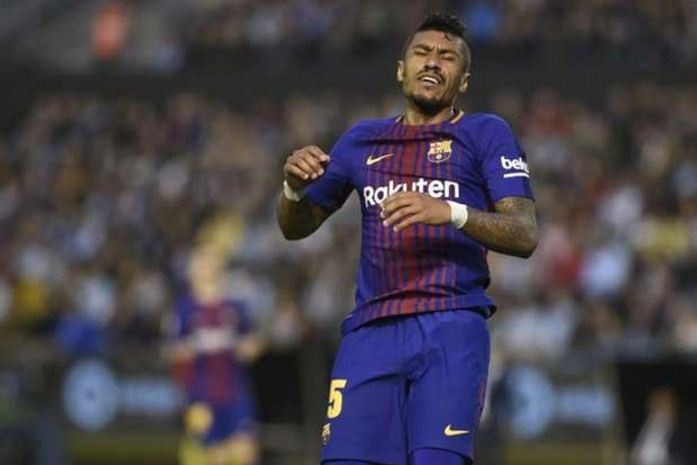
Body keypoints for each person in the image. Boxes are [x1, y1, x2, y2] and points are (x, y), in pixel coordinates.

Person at [277, 12, 538, 465]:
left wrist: (451, 212)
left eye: (447, 56)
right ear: (401, 70)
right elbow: (295, 226)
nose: (433, 61)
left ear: (464, 81)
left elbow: (524, 233)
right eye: (422, 52)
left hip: (451, 326)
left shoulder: (485, 133)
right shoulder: (361, 141)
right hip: (370, 332)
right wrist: (293, 189)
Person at [167, 245, 264, 465]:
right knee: (216, 456)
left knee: (246, 452)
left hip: (235, 390)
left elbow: (252, 340)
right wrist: (194, 348)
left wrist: (247, 348)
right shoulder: (184, 309)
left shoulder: (234, 306)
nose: (207, 269)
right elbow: (174, 351)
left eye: (210, 263)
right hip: (201, 394)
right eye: (201, 265)